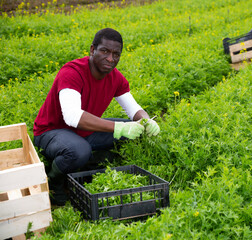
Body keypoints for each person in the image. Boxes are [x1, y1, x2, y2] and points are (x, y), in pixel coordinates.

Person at [33, 28, 160, 206]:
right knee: (79, 151)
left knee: (137, 132)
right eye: (105, 51)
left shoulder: (116, 78)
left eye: (116, 54)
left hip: (85, 131)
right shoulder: (72, 72)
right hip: (51, 132)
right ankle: (53, 181)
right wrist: (117, 128)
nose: (110, 58)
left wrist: (146, 121)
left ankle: (86, 168)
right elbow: (72, 117)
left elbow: (133, 109)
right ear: (93, 50)